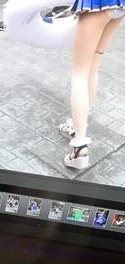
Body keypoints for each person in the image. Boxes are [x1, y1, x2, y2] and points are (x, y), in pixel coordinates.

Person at [60, 2, 125, 169]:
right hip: (119, 6)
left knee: (80, 73)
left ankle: (80, 146)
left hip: (96, 5)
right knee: (93, 65)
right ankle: (77, 126)